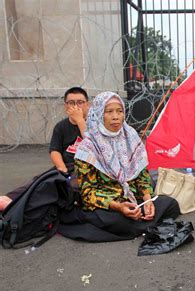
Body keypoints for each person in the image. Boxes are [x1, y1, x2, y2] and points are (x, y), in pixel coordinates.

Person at [58, 91, 180, 241]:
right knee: (116, 221)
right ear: (98, 115)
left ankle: (141, 221)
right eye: (109, 112)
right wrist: (117, 206)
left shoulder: (131, 137)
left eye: (120, 111)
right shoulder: (88, 148)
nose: (116, 117)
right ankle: (139, 223)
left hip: (134, 198)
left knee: (171, 204)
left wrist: (148, 200)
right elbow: (88, 192)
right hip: (109, 205)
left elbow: (142, 176)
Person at [0, 87, 90, 211]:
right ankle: (10, 199)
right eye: (71, 103)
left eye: (80, 102)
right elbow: (55, 150)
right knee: (41, 180)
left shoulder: (94, 124)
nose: (76, 106)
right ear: (66, 106)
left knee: (67, 186)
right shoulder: (61, 127)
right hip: (66, 165)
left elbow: (92, 146)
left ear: (87, 105)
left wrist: (80, 120)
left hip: (86, 167)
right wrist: (61, 168)